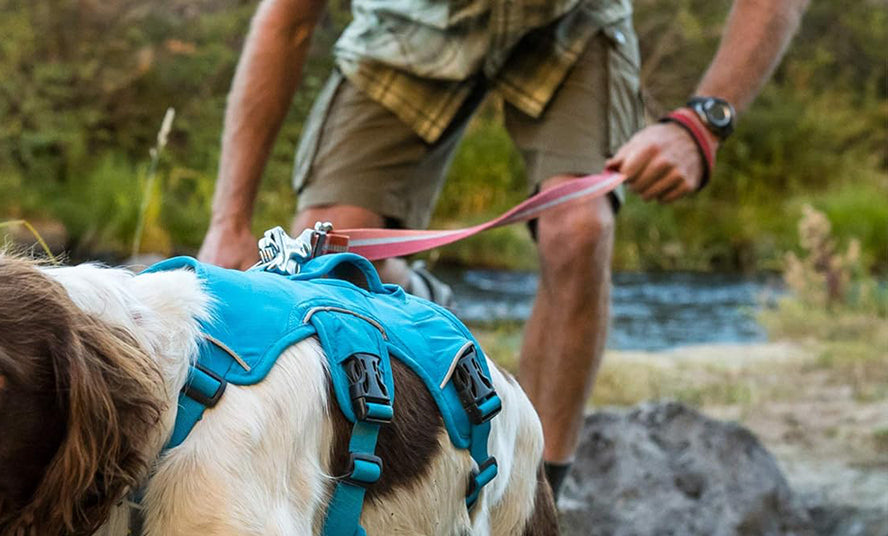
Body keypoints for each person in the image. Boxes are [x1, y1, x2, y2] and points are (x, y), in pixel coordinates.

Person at [199, 0, 809, 497]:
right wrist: (230, 222)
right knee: (331, 268)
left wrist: (701, 123)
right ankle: (412, 313)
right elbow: (287, 19)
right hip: (407, 32)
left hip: (570, 24)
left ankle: (533, 505)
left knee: (579, 228)